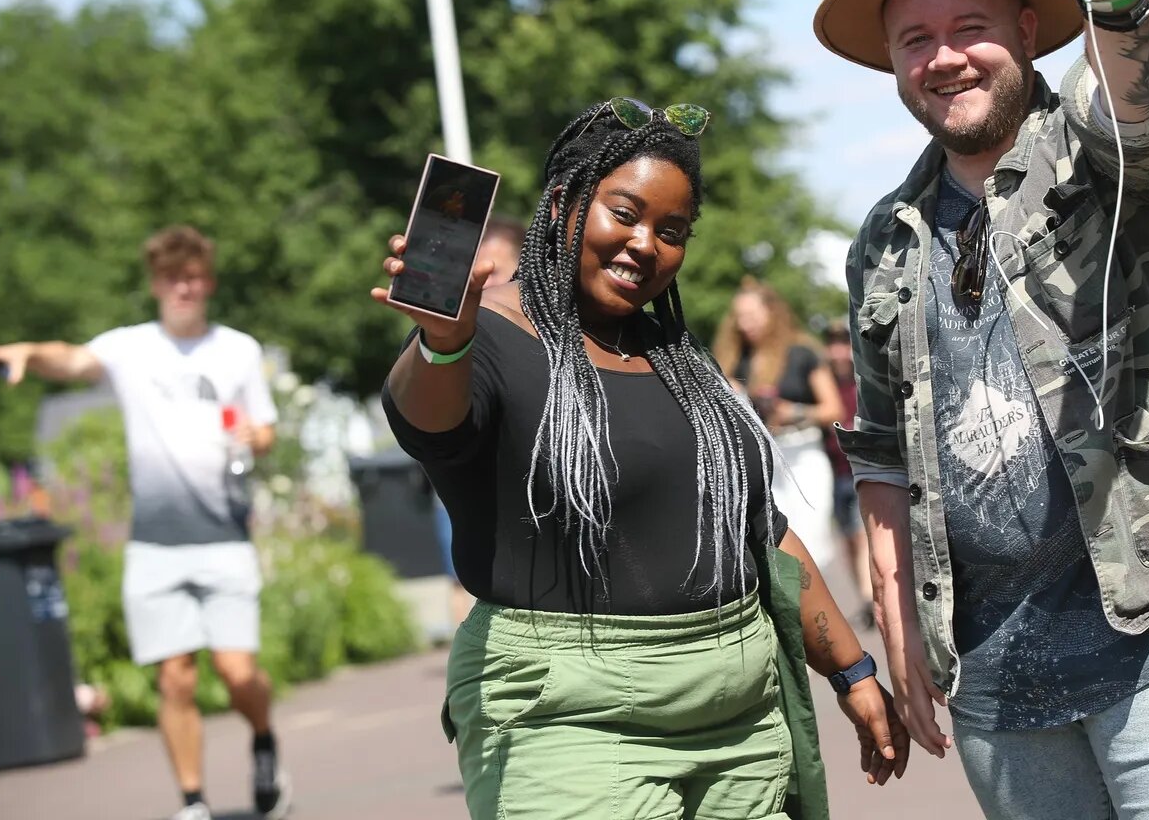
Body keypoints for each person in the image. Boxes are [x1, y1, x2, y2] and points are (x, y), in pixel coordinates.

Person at [813, 0, 1149, 818]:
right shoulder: (883, 241)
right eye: (915, 40)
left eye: (969, 28)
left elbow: (1141, 115)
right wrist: (898, 622)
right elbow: (881, 450)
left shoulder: (1095, 158)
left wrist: (1119, 3)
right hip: (999, 684)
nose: (944, 57)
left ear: (1028, 30)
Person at [374, 98, 909, 819]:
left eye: (671, 231)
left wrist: (853, 670)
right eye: (624, 214)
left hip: (739, 725)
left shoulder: (679, 358)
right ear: (562, 204)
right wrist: (443, 343)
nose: (645, 244)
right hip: (570, 718)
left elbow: (759, 532)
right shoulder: (489, 334)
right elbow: (427, 422)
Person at [0, 225, 290, 820]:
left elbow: (266, 429)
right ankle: (193, 801)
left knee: (237, 673)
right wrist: (24, 352)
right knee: (175, 678)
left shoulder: (238, 350)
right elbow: (71, 358)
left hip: (224, 536)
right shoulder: (131, 348)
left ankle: (263, 737)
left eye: (193, 277)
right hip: (154, 543)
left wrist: (256, 437)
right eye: (173, 278)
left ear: (209, 283)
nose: (184, 288)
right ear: (156, 284)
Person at [427, 212, 528, 635]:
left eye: (493, 271)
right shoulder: (441, 338)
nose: (479, 283)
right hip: (462, 483)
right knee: (460, 577)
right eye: (472, 272)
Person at [712, 279, 847, 572]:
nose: (745, 325)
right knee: (775, 541)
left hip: (804, 453)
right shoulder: (737, 359)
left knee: (811, 541)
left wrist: (793, 411)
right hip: (764, 458)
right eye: (740, 318)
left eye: (752, 316)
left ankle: (813, 597)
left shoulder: (801, 353)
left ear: (771, 313)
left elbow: (833, 410)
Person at [822, 320, 874, 625]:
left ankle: (870, 598)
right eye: (832, 345)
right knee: (848, 541)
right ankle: (865, 598)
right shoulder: (822, 382)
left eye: (843, 344)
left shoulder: (863, 379)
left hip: (860, 468)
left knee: (860, 535)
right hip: (833, 472)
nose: (838, 352)